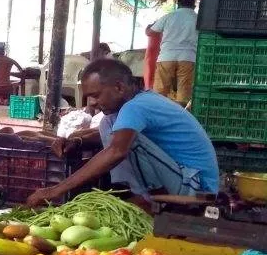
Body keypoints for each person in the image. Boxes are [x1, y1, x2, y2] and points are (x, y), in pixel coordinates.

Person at [25, 59, 218, 208]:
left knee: (122, 143)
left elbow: (117, 150)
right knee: (108, 123)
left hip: (197, 189)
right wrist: (78, 141)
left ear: (119, 87)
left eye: (96, 95)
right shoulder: (136, 103)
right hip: (183, 179)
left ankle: (146, 202)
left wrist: (55, 190)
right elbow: (111, 136)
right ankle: (135, 195)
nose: (91, 103)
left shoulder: (136, 107)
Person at [147, 0, 198, 105]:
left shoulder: (169, 16)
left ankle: (158, 115)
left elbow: (150, 32)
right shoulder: (198, 19)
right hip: (188, 57)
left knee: (160, 92)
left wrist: (150, 25)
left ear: (178, 4)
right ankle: (179, 116)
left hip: (167, 57)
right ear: (194, 6)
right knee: (184, 94)